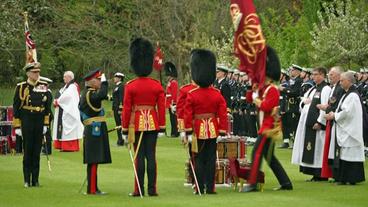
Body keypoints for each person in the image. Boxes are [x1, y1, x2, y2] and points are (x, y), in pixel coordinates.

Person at [242, 46, 292, 192]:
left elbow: (265, 107)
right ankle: (286, 183)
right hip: (265, 126)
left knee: (256, 152)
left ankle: (253, 183)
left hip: (269, 128)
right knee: (269, 157)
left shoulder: (272, 90)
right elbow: (248, 99)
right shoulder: (263, 89)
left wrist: (256, 98)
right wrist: (252, 89)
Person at [121, 38, 166, 197]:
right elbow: (161, 107)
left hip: (136, 125)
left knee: (138, 156)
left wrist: (125, 129)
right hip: (153, 124)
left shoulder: (130, 85)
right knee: (151, 157)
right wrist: (162, 126)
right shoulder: (156, 85)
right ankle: (152, 189)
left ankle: (138, 189)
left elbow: (127, 109)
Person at [184, 49, 228, 195]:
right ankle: (210, 188)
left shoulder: (192, 94)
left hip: (197, 130)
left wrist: (188, 131)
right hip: (213, 130)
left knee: (198, 159)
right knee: (210, 160)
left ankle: (199, 187)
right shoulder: (216, 93)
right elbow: (222, 113)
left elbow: (188, 115)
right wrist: (222, 130)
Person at [12, 62, 52, 187]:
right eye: (34, 72)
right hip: (27, 119)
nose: (37, 74)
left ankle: (35, 179)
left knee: (36, 151)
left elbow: (47, 107)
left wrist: (46, 123)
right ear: (28, 73)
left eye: (38, 72)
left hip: (39, 120)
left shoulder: (43, 87)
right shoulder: (21, 87)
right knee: (28, 150)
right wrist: (17, 126)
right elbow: (16, 107)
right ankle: (26, 179)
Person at [325, 71, 365, 185]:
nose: (340, 83)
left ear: (349, 81)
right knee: (344, 153)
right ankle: (343, 177)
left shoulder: (352, 96)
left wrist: (334, 115)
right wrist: (334, 114)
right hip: (345, 127)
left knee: (349, 153)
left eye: (342, 80)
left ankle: (350, 178)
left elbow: (347, 112)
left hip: (350, 130)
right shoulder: (346, 94)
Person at [292, 67, 331, 181]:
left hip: (317, 125)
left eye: (316, 74)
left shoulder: (325, 88)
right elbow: (303, 102)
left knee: (318, 149)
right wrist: (303, 103)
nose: (313, 76)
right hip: (308, 123)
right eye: (313, 74)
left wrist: (320, 121)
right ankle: (314, 173)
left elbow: (324, 106)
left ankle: (320, 174)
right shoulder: (313, 88)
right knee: (311, 149)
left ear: (323, 75)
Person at [79, 68, 111, 195]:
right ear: (91, 81)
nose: (99, 82)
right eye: (97, 80)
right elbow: (102, 95)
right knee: (93, 159)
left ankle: (94, 187)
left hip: (95, 128)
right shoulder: (89, 93)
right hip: (94, 129)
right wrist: (105, 83)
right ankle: (92, 189)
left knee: (95, 159)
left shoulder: (89, 93)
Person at [317, 67, 344, 179]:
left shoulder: (338, 89)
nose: (330, 76)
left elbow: (335, 105)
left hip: (335, 120)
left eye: (332, 74)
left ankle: (334, 172)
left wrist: (326, 108)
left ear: (339, 75)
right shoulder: (334, 88)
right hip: (331, 119)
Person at [53, 71, 83, 152]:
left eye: (64, 77)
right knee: (62, 129)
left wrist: (57, 101)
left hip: (69, 111)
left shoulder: (72, 86)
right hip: (64, 109)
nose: (63, 78)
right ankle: (62, 145)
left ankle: (70, 147)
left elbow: (68, 96)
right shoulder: (66, 86)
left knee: (69, 129)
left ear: (69, 77)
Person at [278, 64, 303, 148]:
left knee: (293, 124)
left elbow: (294, 92)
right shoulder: (293, 81)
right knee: (286, 124)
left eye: (292, 70)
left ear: (297, 71)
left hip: (294, 105)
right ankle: (286, 141)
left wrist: (284, 89)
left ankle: (295, 141)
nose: (291, 72)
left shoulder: (299, 80)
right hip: (288, 105)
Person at [39, 76, 54, 155]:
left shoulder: (47, 93)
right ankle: (44, 148)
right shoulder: (42, 92)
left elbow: (47, 106)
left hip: (46, 115)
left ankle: (48, 149)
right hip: (41, 115)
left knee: (46, 133)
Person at [164, 62, 179, 137]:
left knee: (174, 119)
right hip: (169, 103)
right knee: (171, 118)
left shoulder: (174, 82)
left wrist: (174, 103)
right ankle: (173, 132)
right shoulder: (170, 82)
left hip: (172, 103)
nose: (167, 77)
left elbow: (174, 93)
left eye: (168, 75)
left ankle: (175, 132)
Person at [111, 72, 125, 146]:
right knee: (117, 124)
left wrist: (120, 108)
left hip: (119, 108)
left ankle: (121, 140)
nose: (114, 78)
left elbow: (121, 98)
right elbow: (114, 98)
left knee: (120, 124)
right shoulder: (116, 86)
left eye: (116, 77)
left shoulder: (121, 86)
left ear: (119, 78)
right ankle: (120, 139)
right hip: (115, 108)